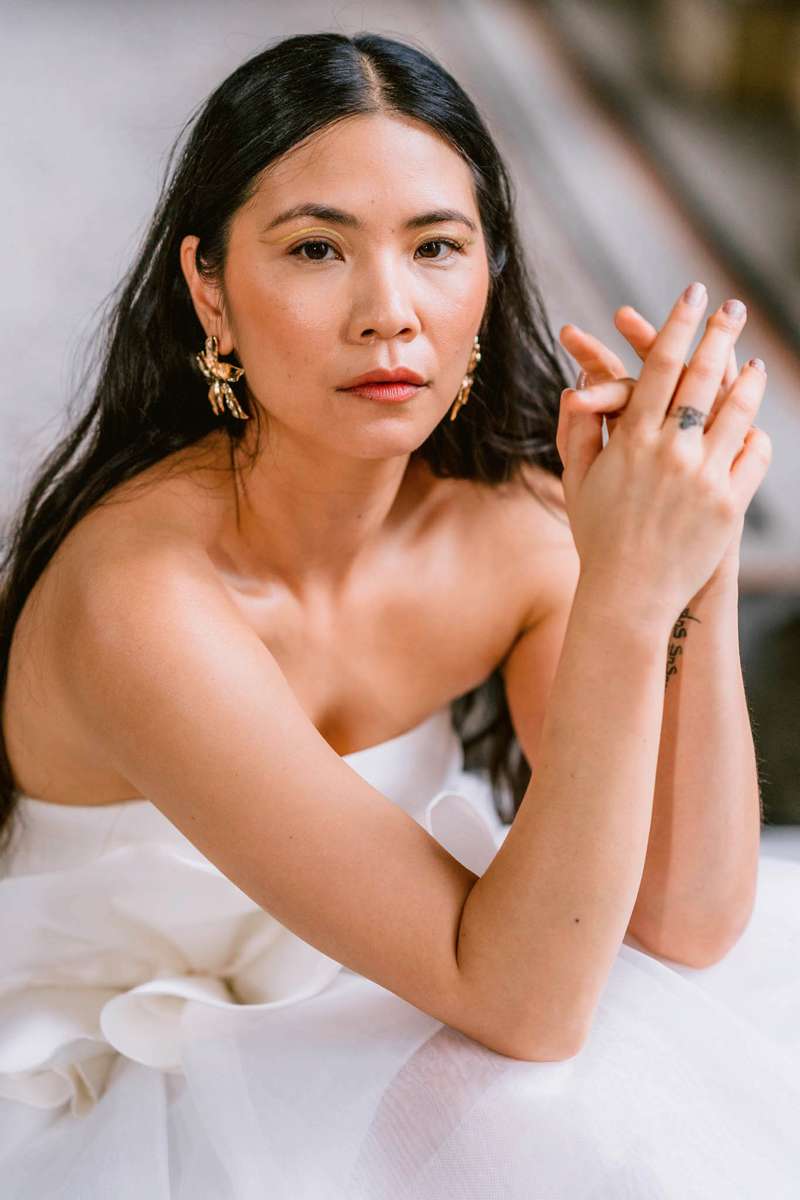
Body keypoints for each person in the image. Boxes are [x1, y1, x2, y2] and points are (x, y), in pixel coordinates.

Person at [0, 29, 798, 1200]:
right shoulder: (143, 603)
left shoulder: (509, 530)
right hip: (108, 1061)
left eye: (435, 246)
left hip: (388, 988)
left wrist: (692, 551)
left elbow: (682, 918)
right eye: (315, 248)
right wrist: (625, 603)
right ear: (208, 290)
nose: (389, 312)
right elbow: (522, 1005)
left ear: (489, 274)